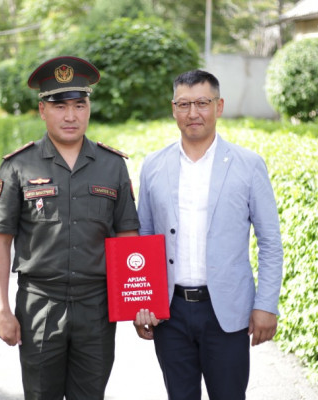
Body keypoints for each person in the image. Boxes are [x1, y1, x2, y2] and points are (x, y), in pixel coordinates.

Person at [0, 56, 140, 400]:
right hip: (40, 305)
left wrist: (137, 302)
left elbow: (127, 238)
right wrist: (1, 310)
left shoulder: (112, 166)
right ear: (42, 110)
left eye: (79, 105)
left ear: (89, 109)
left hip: (96, 306)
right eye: (60, 106)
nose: (71, 116)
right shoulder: (18, 166)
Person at [133, 69, 283, 400]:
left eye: (202, 103)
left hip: (226, 313)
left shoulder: (248, 165)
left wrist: (266, 305)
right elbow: (144, 239)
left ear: (219, 106)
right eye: (184, 104)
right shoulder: (154, 165)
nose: (193, 113)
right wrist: (143, 302)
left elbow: (270, 242)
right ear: (173, 109)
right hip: (170, 314)